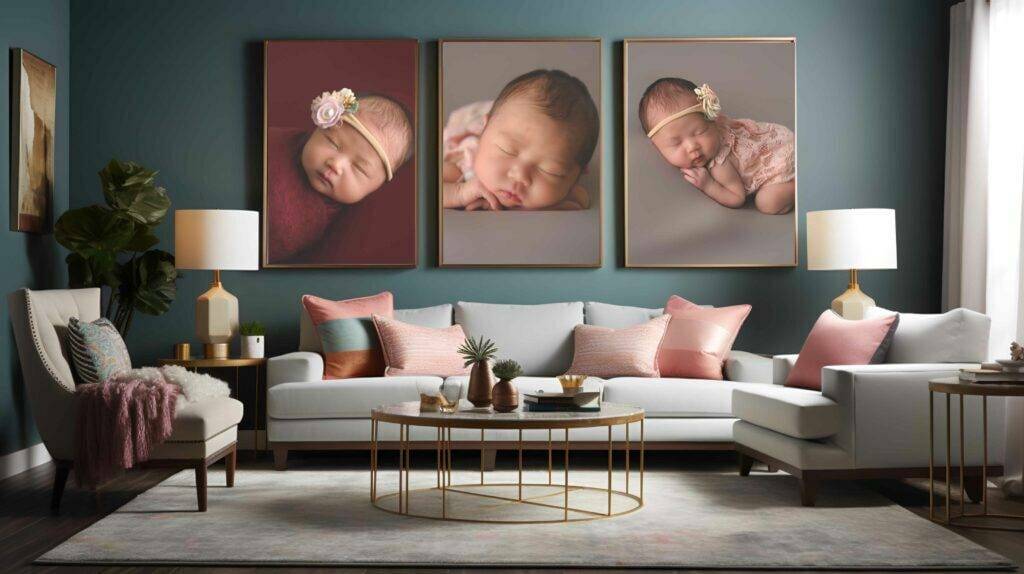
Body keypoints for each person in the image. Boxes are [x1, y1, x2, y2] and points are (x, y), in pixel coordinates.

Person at [267, 89, 413, 261]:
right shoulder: (275, 141)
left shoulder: (328, 227)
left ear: (377, 187)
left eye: (359, 168)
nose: (336, 164)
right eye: (332, 143)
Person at [442, 69, 598, 211]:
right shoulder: (462, 165)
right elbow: (422, 188)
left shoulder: (569, 190)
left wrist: (530, 208)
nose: (520, 176)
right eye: (506, 149)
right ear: (484, 131)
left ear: (576, 176)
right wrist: (459, 193)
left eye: (550, 171)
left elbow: (581, 198)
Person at [640, 78, 794, 215]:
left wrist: (708, 185)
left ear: (713, 121)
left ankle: (798, 183)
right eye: (676, 143)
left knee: (767, 202)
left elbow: (737, 198)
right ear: (656, 146)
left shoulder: (719, 163)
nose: (692, 146)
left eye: (700, 131)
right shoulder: (711, 133)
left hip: (780, 158)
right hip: (780, 143)